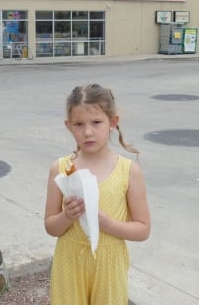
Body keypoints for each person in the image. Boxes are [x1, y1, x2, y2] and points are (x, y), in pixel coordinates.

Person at [44, 84, 151, 304]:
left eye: (96, 122)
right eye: (79, 124)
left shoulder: (129, 171)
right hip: (69, 262)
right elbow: (50, 226)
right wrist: (67, 216)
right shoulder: (61, 169)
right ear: (69, 126)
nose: (88, 132)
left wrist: (107, 223)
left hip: (110, 264)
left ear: (113, 122)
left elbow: (143, 229)